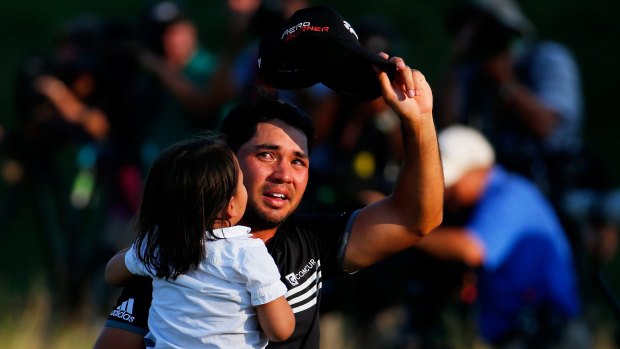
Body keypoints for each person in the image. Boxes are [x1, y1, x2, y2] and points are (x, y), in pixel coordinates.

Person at [93, 49, 444, 348]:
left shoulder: (311, 241)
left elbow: (415, 219)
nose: (284, 174)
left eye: (298, 161)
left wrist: (419, 121)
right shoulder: (177, 251)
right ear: (227, 160)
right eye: (266, 155)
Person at [104, 137, 294, 348]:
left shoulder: (158, 245)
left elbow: (112, 273)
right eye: (241, 182)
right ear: (231, 205)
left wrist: (140, 250)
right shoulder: (248, 254)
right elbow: (280, 330)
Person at [413, 125, 590, 348]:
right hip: (526, 334)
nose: (445, 193)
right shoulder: (483, 204)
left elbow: (472, 250)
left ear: (478, 169)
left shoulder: (510, 196)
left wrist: (408, 233)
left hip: (549, 337)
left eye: (451, 184)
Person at [437, 0, 584, 203]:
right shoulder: (469, 72)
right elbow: (450, 130)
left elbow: (546, 127)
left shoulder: (547, 59)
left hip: (552, 183)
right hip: (489, 186)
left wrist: (505, 83)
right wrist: (458, 61)